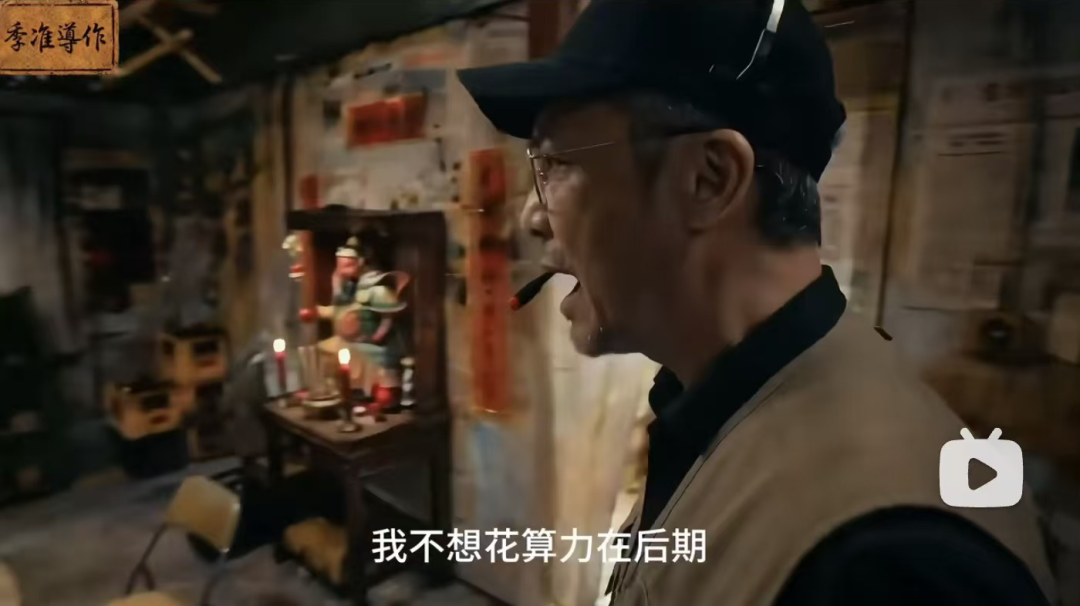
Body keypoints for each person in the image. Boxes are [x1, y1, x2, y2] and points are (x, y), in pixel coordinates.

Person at [458, 1, 1056, 604]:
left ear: (708, 179)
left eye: (557, 165)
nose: (531, 216)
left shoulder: (888, 561)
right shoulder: (725, 405)